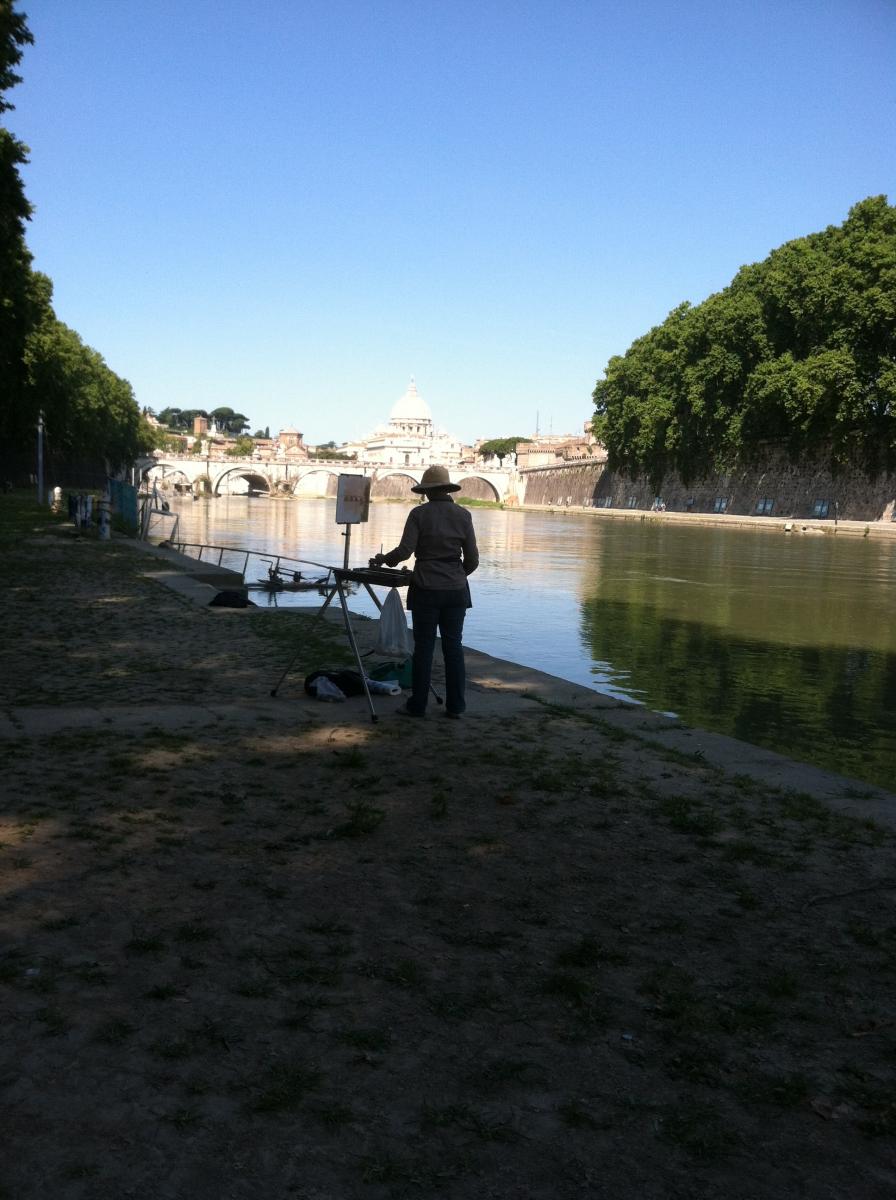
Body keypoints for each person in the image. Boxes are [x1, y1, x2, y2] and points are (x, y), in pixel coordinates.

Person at [373, 465, 479, 718]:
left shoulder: (419, 514)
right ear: (447, 489)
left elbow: (405, 551)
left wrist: (383, 560)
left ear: (427, 491)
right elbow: (473, 560)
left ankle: (417, 705)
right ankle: (456, 707)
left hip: (426, 590)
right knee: (454, 647)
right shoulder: (463, 515)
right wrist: (455, 574)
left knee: (424, 648)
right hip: (456, 591)